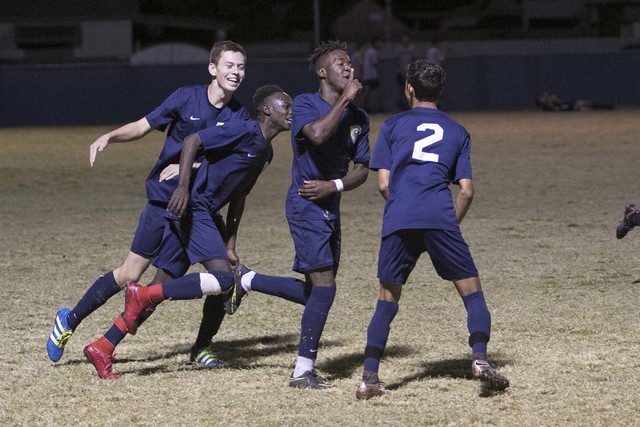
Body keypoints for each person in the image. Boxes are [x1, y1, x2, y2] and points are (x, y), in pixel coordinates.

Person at [47, 41, 249, 375]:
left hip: (197, 211)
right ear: (213, 68)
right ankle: (69, 319)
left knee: (168, 288)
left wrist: (191, 168)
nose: (236, 72)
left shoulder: (239, 115)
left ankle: (194, 347)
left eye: (241, 67)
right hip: (162, 202)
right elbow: (142, 126)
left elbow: (230, 161)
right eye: (229, 65)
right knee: (130, 275)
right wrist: (109, 137)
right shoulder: (186, 97)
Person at [355, 59, 510, 400]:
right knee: (473, 294)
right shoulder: (457, 131)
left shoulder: (393, 126)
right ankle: (481, 359)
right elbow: (467, 190)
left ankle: (369, 379)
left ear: (408, 88)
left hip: (400, 217)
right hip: (440, 216)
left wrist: (403, 209)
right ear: (440, 91)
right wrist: (447, 224)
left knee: (386, 301)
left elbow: (383, 184)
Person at [224, 40, 370, 390]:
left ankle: (247, 280)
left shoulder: (360, 118)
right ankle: (302, 371)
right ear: (322, 72)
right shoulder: (305, 104)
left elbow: (363, 168)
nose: (348, 67)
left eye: (349, 62)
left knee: (315, 292)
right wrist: (346, 99)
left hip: (329, 204)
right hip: (305, 205)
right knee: (325, 288)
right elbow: (318, 135)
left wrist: (334, 186)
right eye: (339, 63)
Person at [120, 85, 293, 374]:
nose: (292, 112)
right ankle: (199, 346)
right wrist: (184, 188)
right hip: (194, 210)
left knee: (164, 281)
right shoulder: (244, 130)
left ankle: (105, 344)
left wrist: (231, 243)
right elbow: (192, 140)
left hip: (205, 214)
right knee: (224, 280)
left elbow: (240, 195)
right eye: (285, 106)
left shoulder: (266, 152)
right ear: (266, 110)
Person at [360, 37, 382, 113]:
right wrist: (379, 71)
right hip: (372, 75)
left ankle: (365, 107)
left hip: (367, 75)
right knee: (376, 91)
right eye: (379, 42)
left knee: (367, 92)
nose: (380, 44)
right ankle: (374, 107)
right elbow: (375, 63)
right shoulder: (373, 52)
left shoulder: (368, 51)